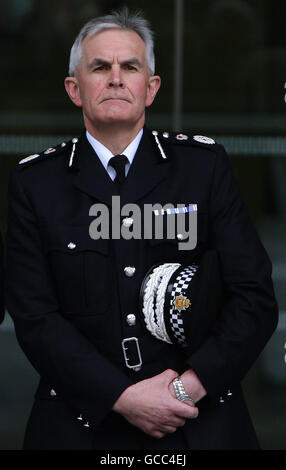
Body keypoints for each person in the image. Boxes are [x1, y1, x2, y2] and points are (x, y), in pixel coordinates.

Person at [5, 8, 278, 450]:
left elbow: (254, 297)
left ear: (151, 89)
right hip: (81, 424)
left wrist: (186, 389)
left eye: (129, 67)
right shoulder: (36, 184)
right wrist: (123, 396)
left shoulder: (203, 169)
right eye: (100, 67)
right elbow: (36, 318)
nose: (115, 78)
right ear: (75, 89)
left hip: (198, 420)